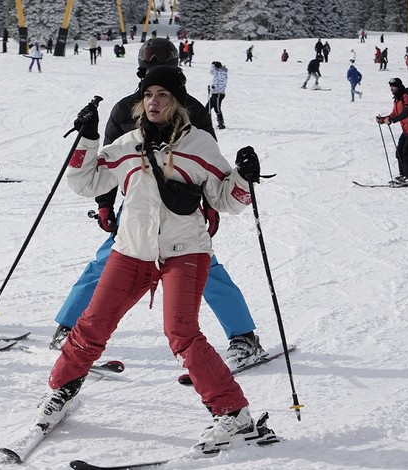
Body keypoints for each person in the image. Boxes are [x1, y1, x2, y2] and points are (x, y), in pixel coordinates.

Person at [32, 64, 272, 453]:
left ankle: (234, 415)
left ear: (177, 102)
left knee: (181, 332)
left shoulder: (201, 146)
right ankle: (60, 391)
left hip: (186, 251)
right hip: (131, 250)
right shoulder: (127, 144)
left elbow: (227, 200)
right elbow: (85, 182)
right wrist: (87, 138)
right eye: (148, 95)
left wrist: (244, 177)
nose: (154, 101)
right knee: (92, 324)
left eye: (162, 94)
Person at [51, 39, 267, 372]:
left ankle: (243, 336)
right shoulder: (126, 108)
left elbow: (207, 164)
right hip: (137, 204)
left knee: (202, 267)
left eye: (159, 65)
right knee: (106, 263)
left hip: (182, 205)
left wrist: (213, 203)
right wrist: (106, 204)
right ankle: (70, 326)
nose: (154, 95)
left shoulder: (190, 107)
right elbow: (108, 160)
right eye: (148, 67)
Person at [376, 78, 408, 187]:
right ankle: (404, 175)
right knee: (399, 152)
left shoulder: (406, 96)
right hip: (407, 129)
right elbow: (394, 114)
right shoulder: (397, 100)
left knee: (407, 153)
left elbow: (406, 112)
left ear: (399, 86)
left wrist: (392, 120)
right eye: (390, 87)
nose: (391, 89)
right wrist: (383, 120)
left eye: (393, 86)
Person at [208, 61, 228, 129]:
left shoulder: (220, 72)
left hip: (218, 93)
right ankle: (205, 122)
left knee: (217, 108)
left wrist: (213, 88)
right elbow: (216, 81)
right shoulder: (220, 72)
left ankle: (221, 123)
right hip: (215, 93)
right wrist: (211, 88)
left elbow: (212, 72)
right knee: (207, 108)